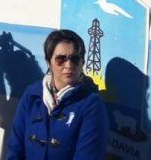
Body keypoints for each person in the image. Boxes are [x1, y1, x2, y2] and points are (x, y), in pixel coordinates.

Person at [6, 29, 109, 160]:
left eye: (75, 59)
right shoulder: (32, 95)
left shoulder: (91, 105)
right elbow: (15, 148)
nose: (69, 65)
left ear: (82, 63)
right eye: (61, 59)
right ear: (49, 61)